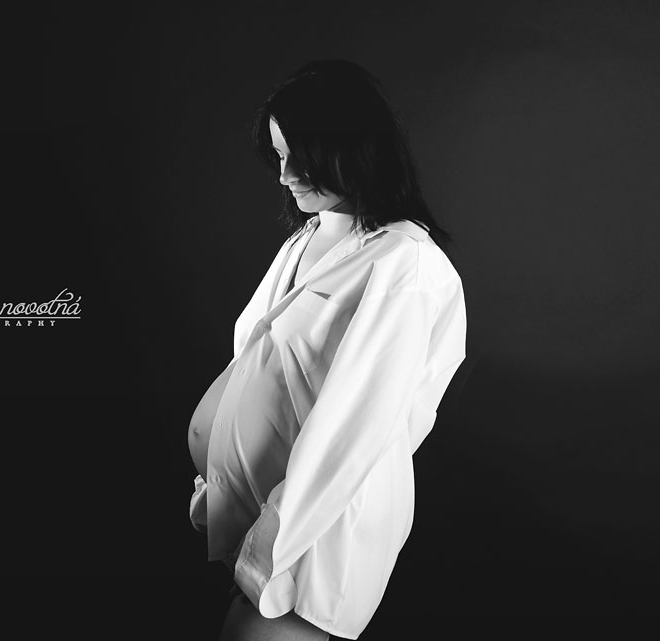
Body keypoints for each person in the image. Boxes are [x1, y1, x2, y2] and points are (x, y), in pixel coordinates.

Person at [187, 59, 467, 640]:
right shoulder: (309, 236)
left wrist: (275, 537)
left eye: (301, 158)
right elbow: (259, 367)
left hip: (313, 535)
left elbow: (355, 426)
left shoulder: (403, 265)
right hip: (262, 516)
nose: (284, 176)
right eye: (278, 156)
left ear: (352, 150)